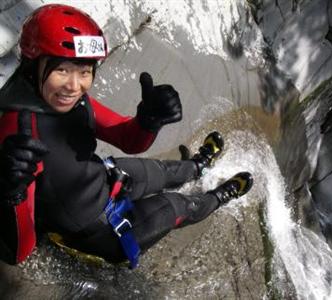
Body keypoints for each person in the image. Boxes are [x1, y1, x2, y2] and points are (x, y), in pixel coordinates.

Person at [0, 4, 253, 268]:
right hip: (97, 231)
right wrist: (12, 192)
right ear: (33, 65)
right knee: (178, 206)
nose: (75, 86)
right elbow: (20, 251)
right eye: (62, 70)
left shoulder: (70, 101)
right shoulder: (19, 135)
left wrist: (148, 121)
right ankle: (220, 196)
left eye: (84, 71)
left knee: (163, 171)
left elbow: (127, 140)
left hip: (105, 182)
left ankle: (198, 166)